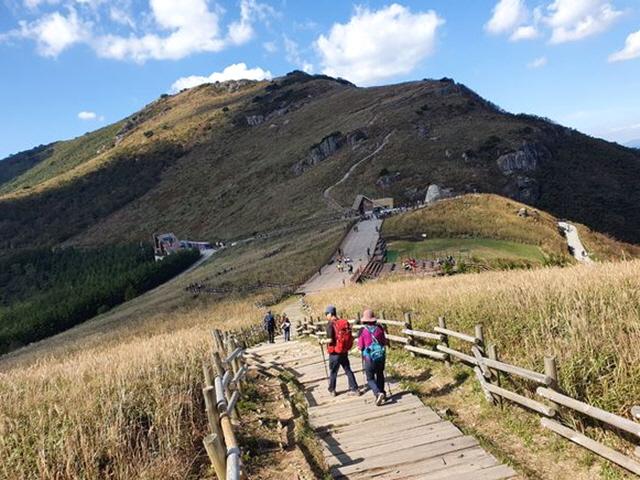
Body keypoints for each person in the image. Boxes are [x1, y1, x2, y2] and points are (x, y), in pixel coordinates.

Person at [324, 305, 359, 396]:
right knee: (347, 369)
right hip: (343, 350)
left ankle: (332, 390)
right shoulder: (342, 322)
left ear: (331, 314)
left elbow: (330, 340)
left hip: (335, 352)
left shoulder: (330, 324)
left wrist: (322, 341)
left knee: (333, 371)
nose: (326, 316)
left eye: (326, 314)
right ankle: (355, 388)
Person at [358, 309, 388, 406]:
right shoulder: (379, 328)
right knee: (380, 374)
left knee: (370, 378)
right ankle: (382, 392)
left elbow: (361, 346)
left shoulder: (362, 331)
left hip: (369, 358)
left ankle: (377, 393)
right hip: (380, 356)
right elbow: (384, 342)